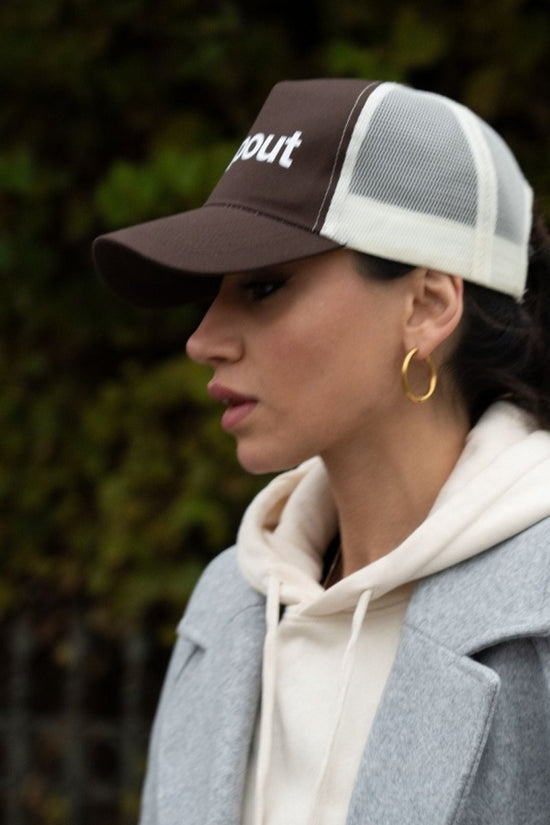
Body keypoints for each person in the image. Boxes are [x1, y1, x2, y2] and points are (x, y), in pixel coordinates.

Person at [93, 79, 550, 825]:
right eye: (214, 292)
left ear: (428, 305)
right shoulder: (228, 605)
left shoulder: (537, 611)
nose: (203, 339)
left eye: (265, 286)